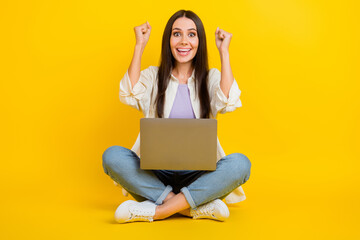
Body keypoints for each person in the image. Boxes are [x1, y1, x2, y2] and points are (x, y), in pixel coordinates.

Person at [102, 9, 251, 223]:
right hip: (155, 175)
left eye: (191, 34)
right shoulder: (154, 76)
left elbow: (228, 101)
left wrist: (224, 53)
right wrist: (139, 46)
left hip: (199, 175)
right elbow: (129, 93)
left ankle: (159, 210)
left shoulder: (210, 78)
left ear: (199, 41)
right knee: (112, 156)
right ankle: (191, 207)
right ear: (168, 40)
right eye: (176, 34)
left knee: (240, 164)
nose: (184, 41)